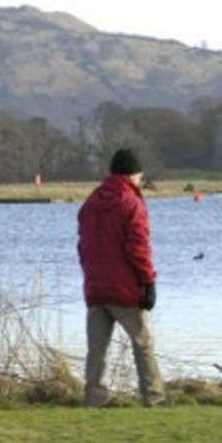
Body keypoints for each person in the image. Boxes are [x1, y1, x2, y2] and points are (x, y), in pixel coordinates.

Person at [78, 148, 165, 407]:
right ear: (133, 176)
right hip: (124, 287)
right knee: (142, 342)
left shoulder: (91, 203)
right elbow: (138, 247)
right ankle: (154, 396)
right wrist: (148, 281)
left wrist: (90, 274)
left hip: (95, 286)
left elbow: (82, 246)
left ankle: (94, 397)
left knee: (97, 348)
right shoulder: (131, 203)